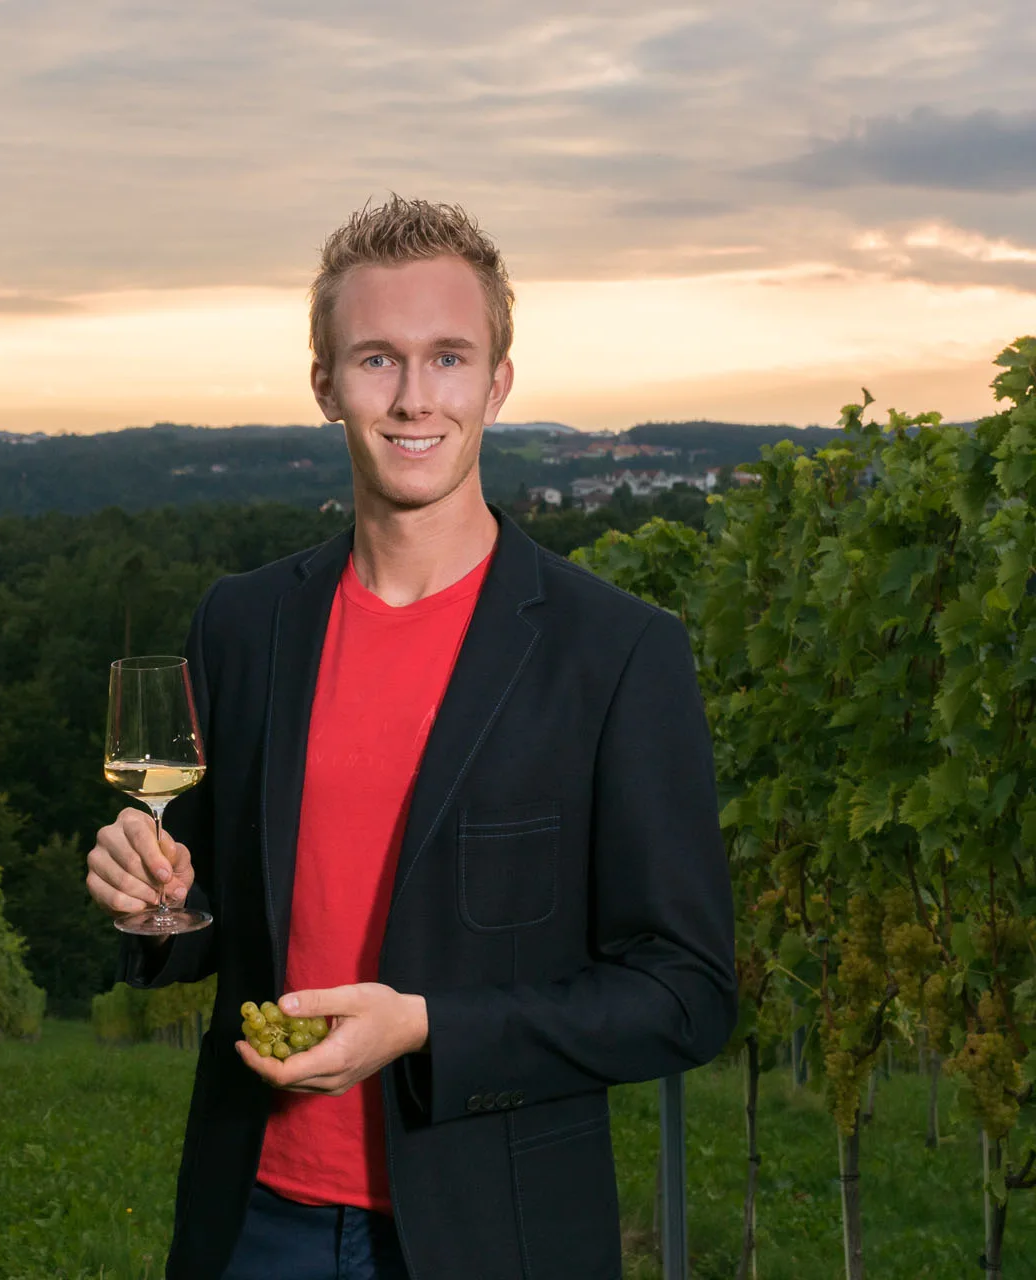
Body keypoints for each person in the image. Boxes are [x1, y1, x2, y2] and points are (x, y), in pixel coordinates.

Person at [84, 195, 737, 1279]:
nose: (414, 396)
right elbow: (202, 919)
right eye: (377, 359)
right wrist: (147, 903)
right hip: (255, 1218)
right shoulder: (241, 625)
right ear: (325, 384)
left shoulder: (616, 652)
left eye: (448, 357)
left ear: (498, 382)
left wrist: (428, 1025)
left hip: (498, 1235)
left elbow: (686, 992)